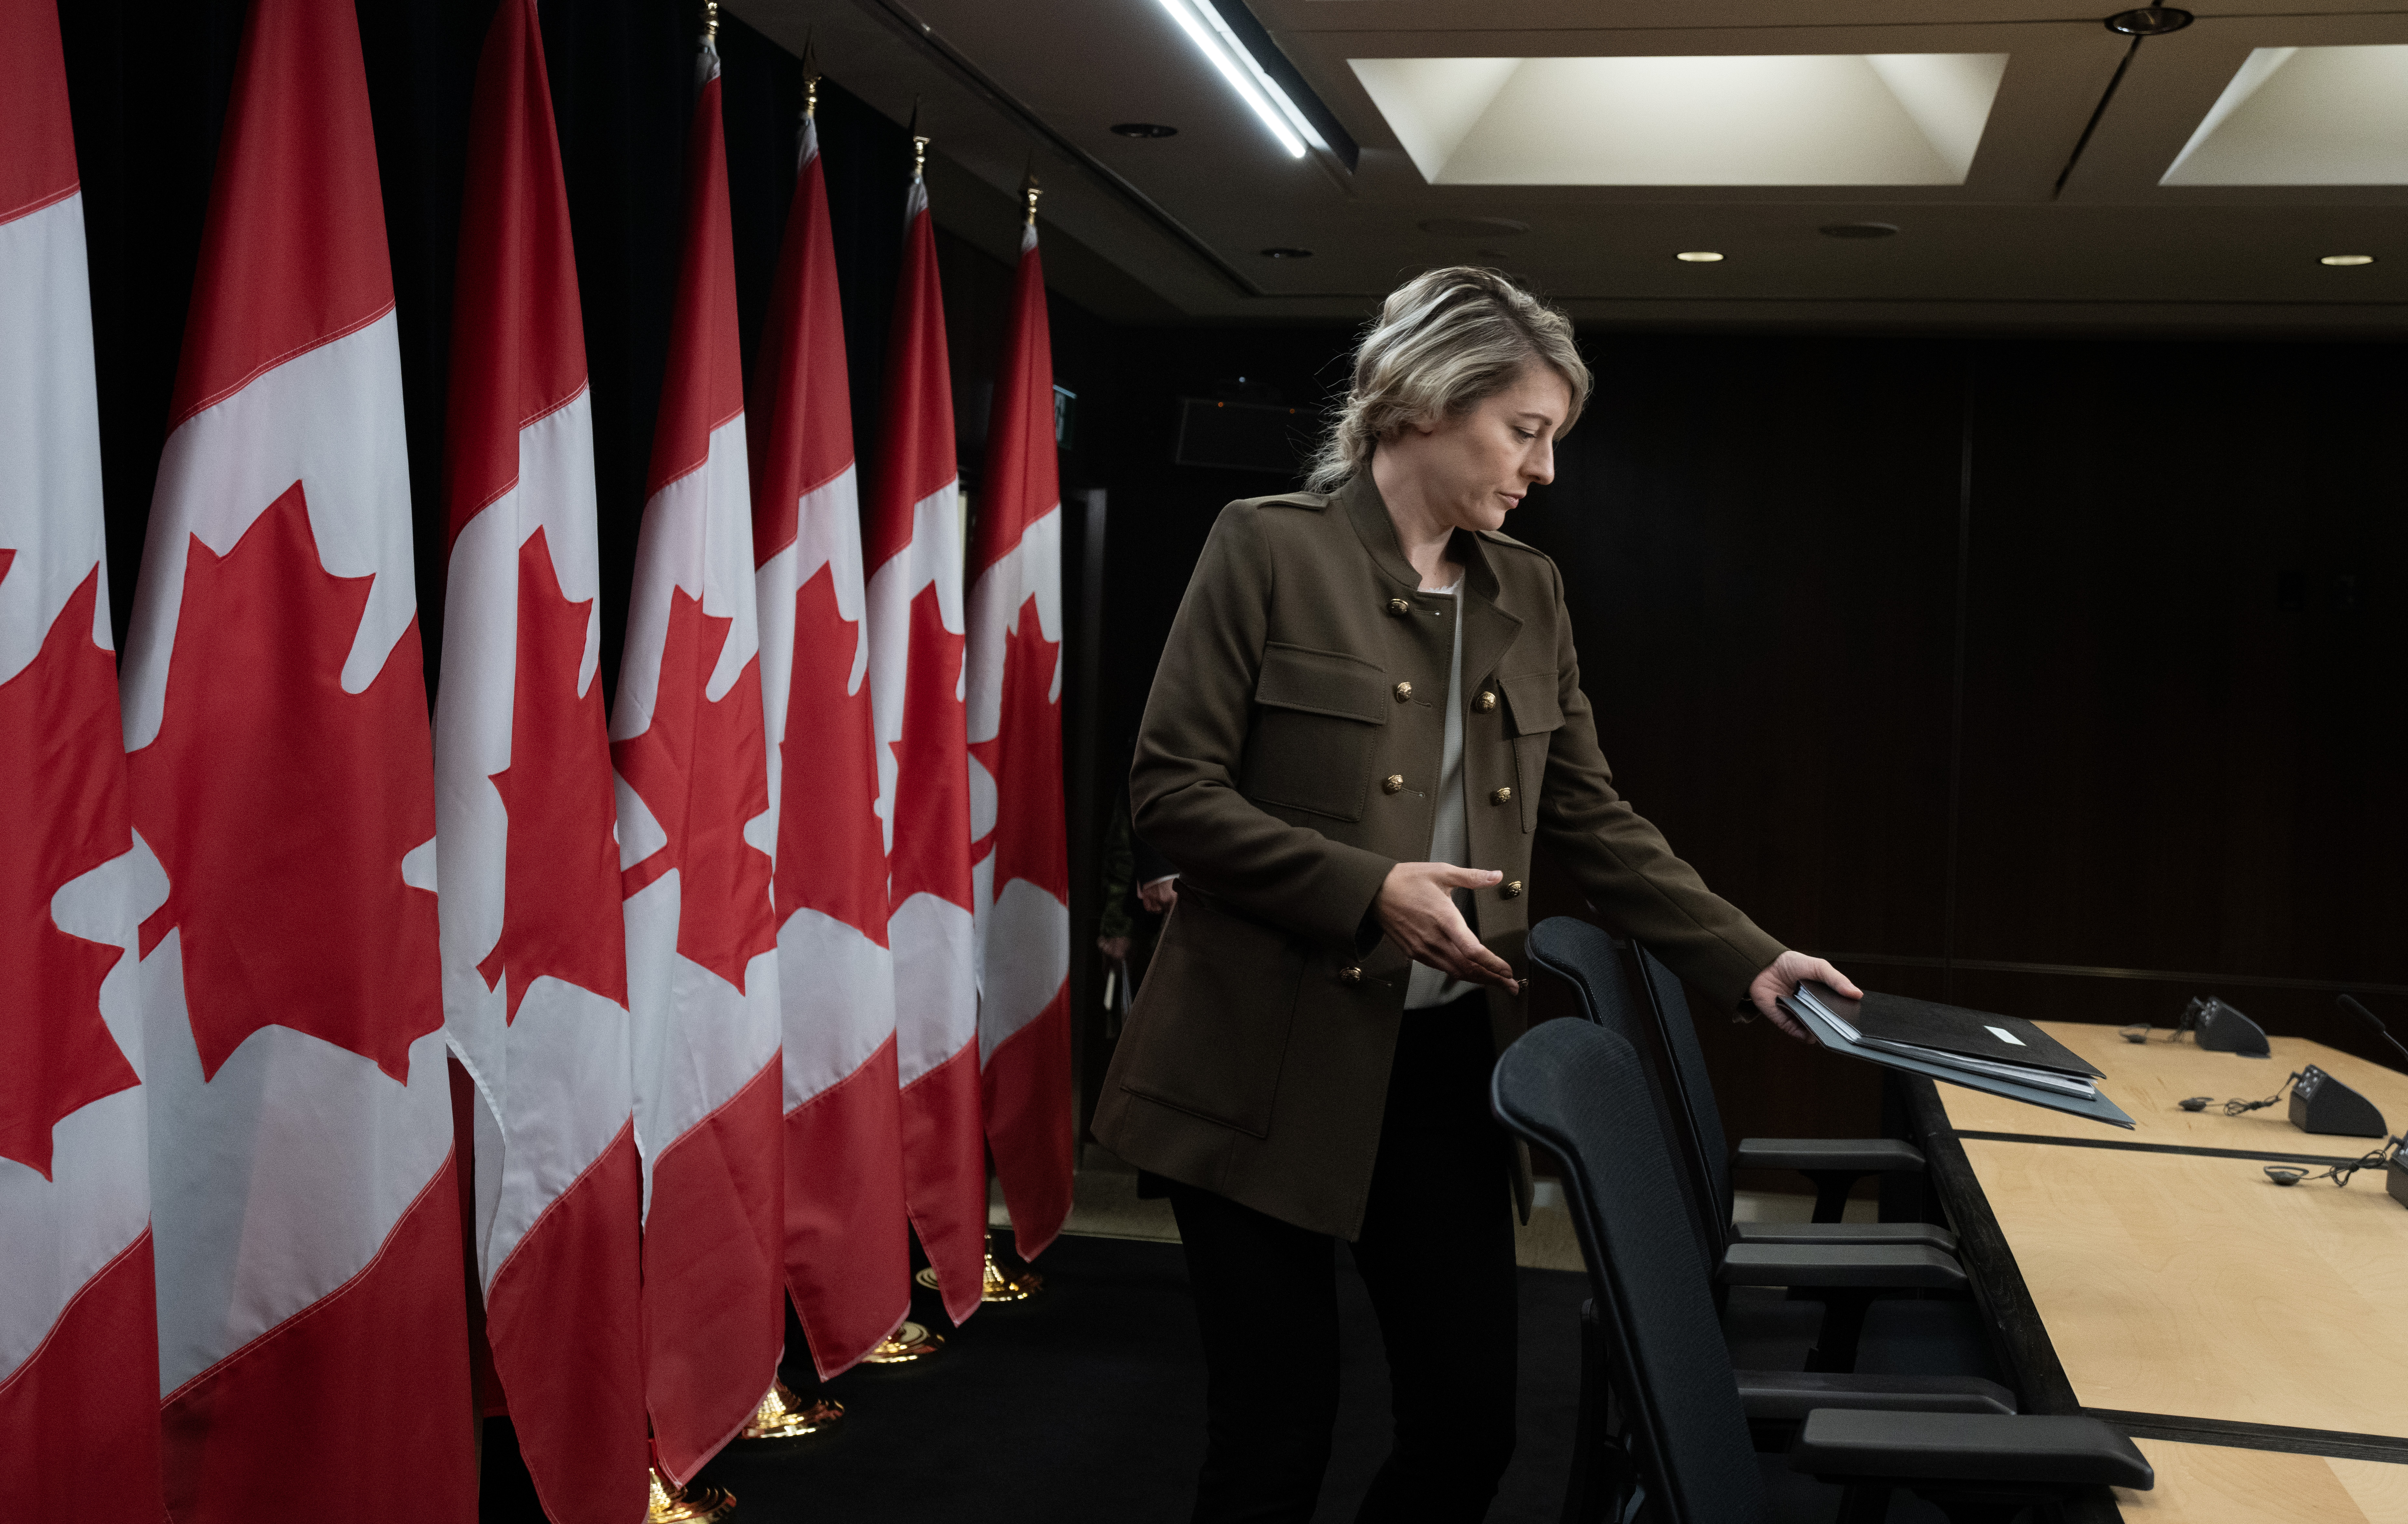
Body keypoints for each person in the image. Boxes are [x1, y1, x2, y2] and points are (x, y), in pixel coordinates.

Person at [1090, 266, 1859, 1523]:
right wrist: (1367, 886)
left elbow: (1592, 819)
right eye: (1527, 431)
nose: (1543, 472)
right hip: (1249, 1059)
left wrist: (1749, 958)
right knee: (1273, 1442)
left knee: (1468, 1428)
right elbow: (1172, 796)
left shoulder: (1530, 592)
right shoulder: (1267, 547)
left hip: (1440, 1063)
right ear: (1424, 401)